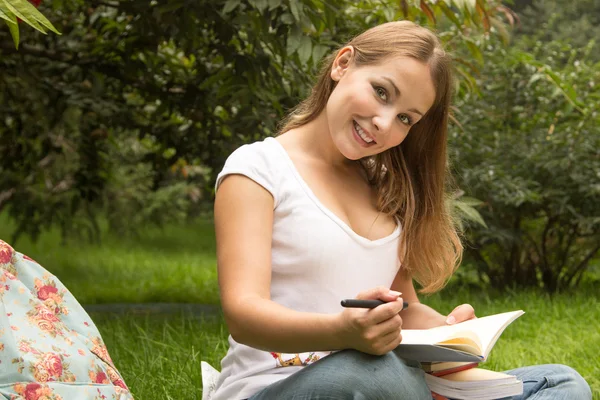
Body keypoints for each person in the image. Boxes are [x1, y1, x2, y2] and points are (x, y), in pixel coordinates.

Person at [211, 21, 592, 400]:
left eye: (406, 118)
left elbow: (404, 308)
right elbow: (244, 315)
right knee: (368, 372)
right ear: (343, 64)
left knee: (563, 383)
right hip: (279, 386)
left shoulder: (385, 183)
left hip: (388, 382)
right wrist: (342, 332)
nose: (383, 123)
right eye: (381, 92)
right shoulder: (258, 169)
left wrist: (447, 333)